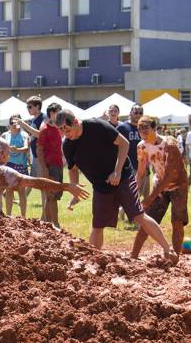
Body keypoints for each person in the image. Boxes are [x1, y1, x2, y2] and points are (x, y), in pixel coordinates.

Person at [56, 110, 178, 263]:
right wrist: (74, 188)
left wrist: (117, 171)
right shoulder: (68, 145)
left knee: (138, 216)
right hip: (101, 186)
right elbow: (72, 169)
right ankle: (94, 261)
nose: (65, 134)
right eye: (61, 131)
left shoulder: (96, 126)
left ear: (75, 122)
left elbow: (124, 144)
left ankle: (168, 249)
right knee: (98, 224)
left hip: (123, 176)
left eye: (66, 129)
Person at [131, 117, 188, 258]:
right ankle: (133, 255)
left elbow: (169, 176)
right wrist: (134, 193)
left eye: (146, 130)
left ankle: (175, 257)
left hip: (178, 185)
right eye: (140, 130)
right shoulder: (142, 146)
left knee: (177, 221)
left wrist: (151, 197)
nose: (143, 134)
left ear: (155, 129)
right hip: (160, 184)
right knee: (148, 219)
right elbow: (141, 172)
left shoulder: (169, 145)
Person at [36, 103, 65, 227]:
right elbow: (39, 150)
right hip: (49, 166)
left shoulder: (59, 129)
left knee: (53, 195)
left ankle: (46, 223)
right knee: (52, 196)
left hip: (58, 165)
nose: (61, 114)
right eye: (59, 111)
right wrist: (44, 168)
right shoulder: (45, 129)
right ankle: (56, 223)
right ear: (52, 113)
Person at [2, 115, 30, 217]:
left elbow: (26, 147)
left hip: (20, 166)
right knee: (9, 191)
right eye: (13, 123)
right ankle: (8, 215)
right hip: (8, 166)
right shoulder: (5, 135)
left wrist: (17, 149)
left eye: (17, 123)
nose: (15, 125)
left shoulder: (24, 134)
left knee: (21, 191)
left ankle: (23, 216)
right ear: (9, 125)